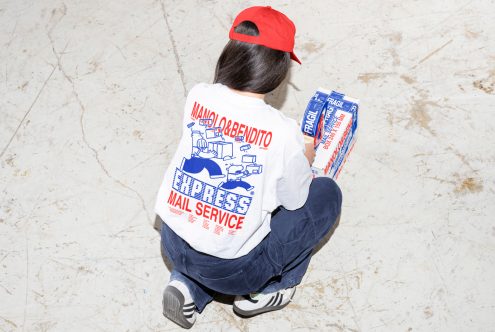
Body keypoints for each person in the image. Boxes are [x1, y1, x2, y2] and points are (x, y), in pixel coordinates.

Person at [154, 6, 342, 329]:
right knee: (326, 194)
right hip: (234, 270)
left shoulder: (198, 95)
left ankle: (187, 285)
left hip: (172, 240)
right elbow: (295, 202)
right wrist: (304, 159)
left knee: (216, 226)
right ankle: (269, 290)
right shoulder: (282, 132)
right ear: (277, 71)